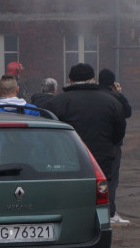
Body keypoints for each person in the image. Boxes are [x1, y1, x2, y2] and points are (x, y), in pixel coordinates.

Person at [44, 63, 126, 210]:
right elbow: (119, 133)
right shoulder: (112, 102)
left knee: (68, 199)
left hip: (67, 160)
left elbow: (48, 136)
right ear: (94, 79)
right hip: (102, 157)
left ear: (70, 80)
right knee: (101, 196)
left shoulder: (56, 103)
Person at [99, 68, 132, 224]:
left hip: (91, 144)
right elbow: (127, 113)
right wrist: (120, 94)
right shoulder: (115, 98)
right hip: (111, 145)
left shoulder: (94, 95)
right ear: (113, 83)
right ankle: (110, 213)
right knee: (110, 180)